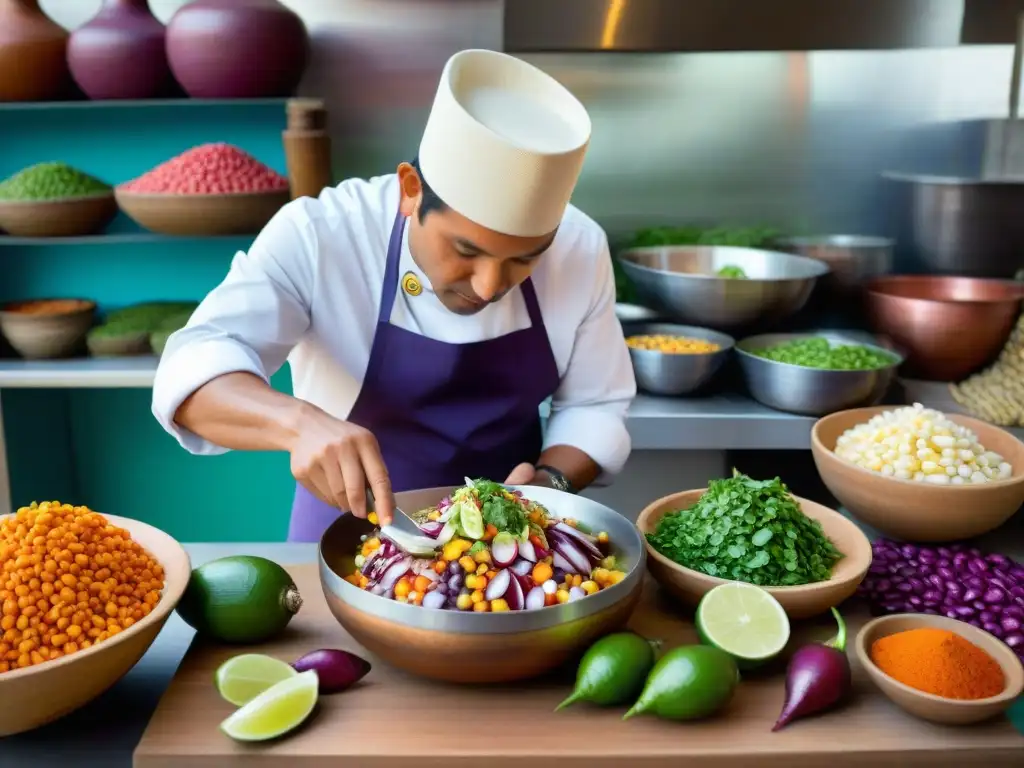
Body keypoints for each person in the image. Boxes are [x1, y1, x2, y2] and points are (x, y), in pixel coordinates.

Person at [151, 49, 636, 542]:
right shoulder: (322, 234)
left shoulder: (579, 245)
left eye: (524, 258)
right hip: (347, 537)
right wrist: (297, 424)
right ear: (411, 190)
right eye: (465, 249)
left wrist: (547, 485)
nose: (489, 287)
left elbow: (596, 405)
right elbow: (192, 369)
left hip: (507, 543)